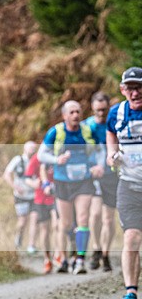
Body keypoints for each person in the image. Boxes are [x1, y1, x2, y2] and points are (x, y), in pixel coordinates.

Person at [37, 100, 103, 274]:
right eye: (72, 112)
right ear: (65, 115)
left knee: (82, 218)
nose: (76, 115)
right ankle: (64, 260)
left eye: (78, 112)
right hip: (62, 181)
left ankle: (80, 259)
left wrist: (99, 166)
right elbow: (41, 154)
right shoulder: (56, 132)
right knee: (64, 224)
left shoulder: (87, 131)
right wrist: (56, 160)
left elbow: (100, 149)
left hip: (84, 181)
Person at [107, 67, 142, 299]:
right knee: (131, 237)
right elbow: (110, 135)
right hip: (129, 185)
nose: (135, 92)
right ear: (122, 90)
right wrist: (112, 155)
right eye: (130, 87)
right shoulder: (116, 113)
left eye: (139, 86)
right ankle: (131, 296)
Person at [84, 91, 118, 272]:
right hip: (94, 176)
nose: (101, 113)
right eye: (98, 110)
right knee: (95, 214)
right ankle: (96, 247)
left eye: (104, 110)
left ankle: (105, 253)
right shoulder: (86, 126)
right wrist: (90, 167)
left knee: (108, 218)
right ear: (92, 108)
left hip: (112, 176)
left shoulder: (114, 123)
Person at [24, 150, 57, 273]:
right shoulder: (37, 158)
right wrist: (33, 184)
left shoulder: (60, 154)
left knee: (57, 226)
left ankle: (58, 254)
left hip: (57, 197)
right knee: (45, 230)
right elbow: (27, 177)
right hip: (41, 199)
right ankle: (47, 258)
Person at [3, 141, 37, 251]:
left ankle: (31, 245)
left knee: (34, 219)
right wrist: (15, 187)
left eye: (34, 149)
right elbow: (7, 174)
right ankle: (18, 238)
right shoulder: (18, 160)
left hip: (34, 195)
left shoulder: (37, 161)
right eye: (30, 149)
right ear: (25, 149)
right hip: (21, 195)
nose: (32, 151)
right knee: (22, 221)